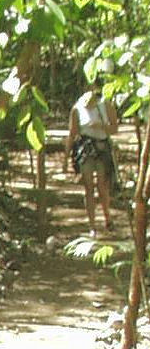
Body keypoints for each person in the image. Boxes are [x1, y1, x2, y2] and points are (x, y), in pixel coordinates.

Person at [67, 77, 118, 234]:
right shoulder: (77, 108)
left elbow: (114, 128)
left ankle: (107, 218)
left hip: (102, 147)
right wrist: (66, 156)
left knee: (102, 186)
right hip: (85, 149)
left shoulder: (106, 105)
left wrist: (101, 126)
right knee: (88, 187)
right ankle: (92, 225)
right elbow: (72, 133)